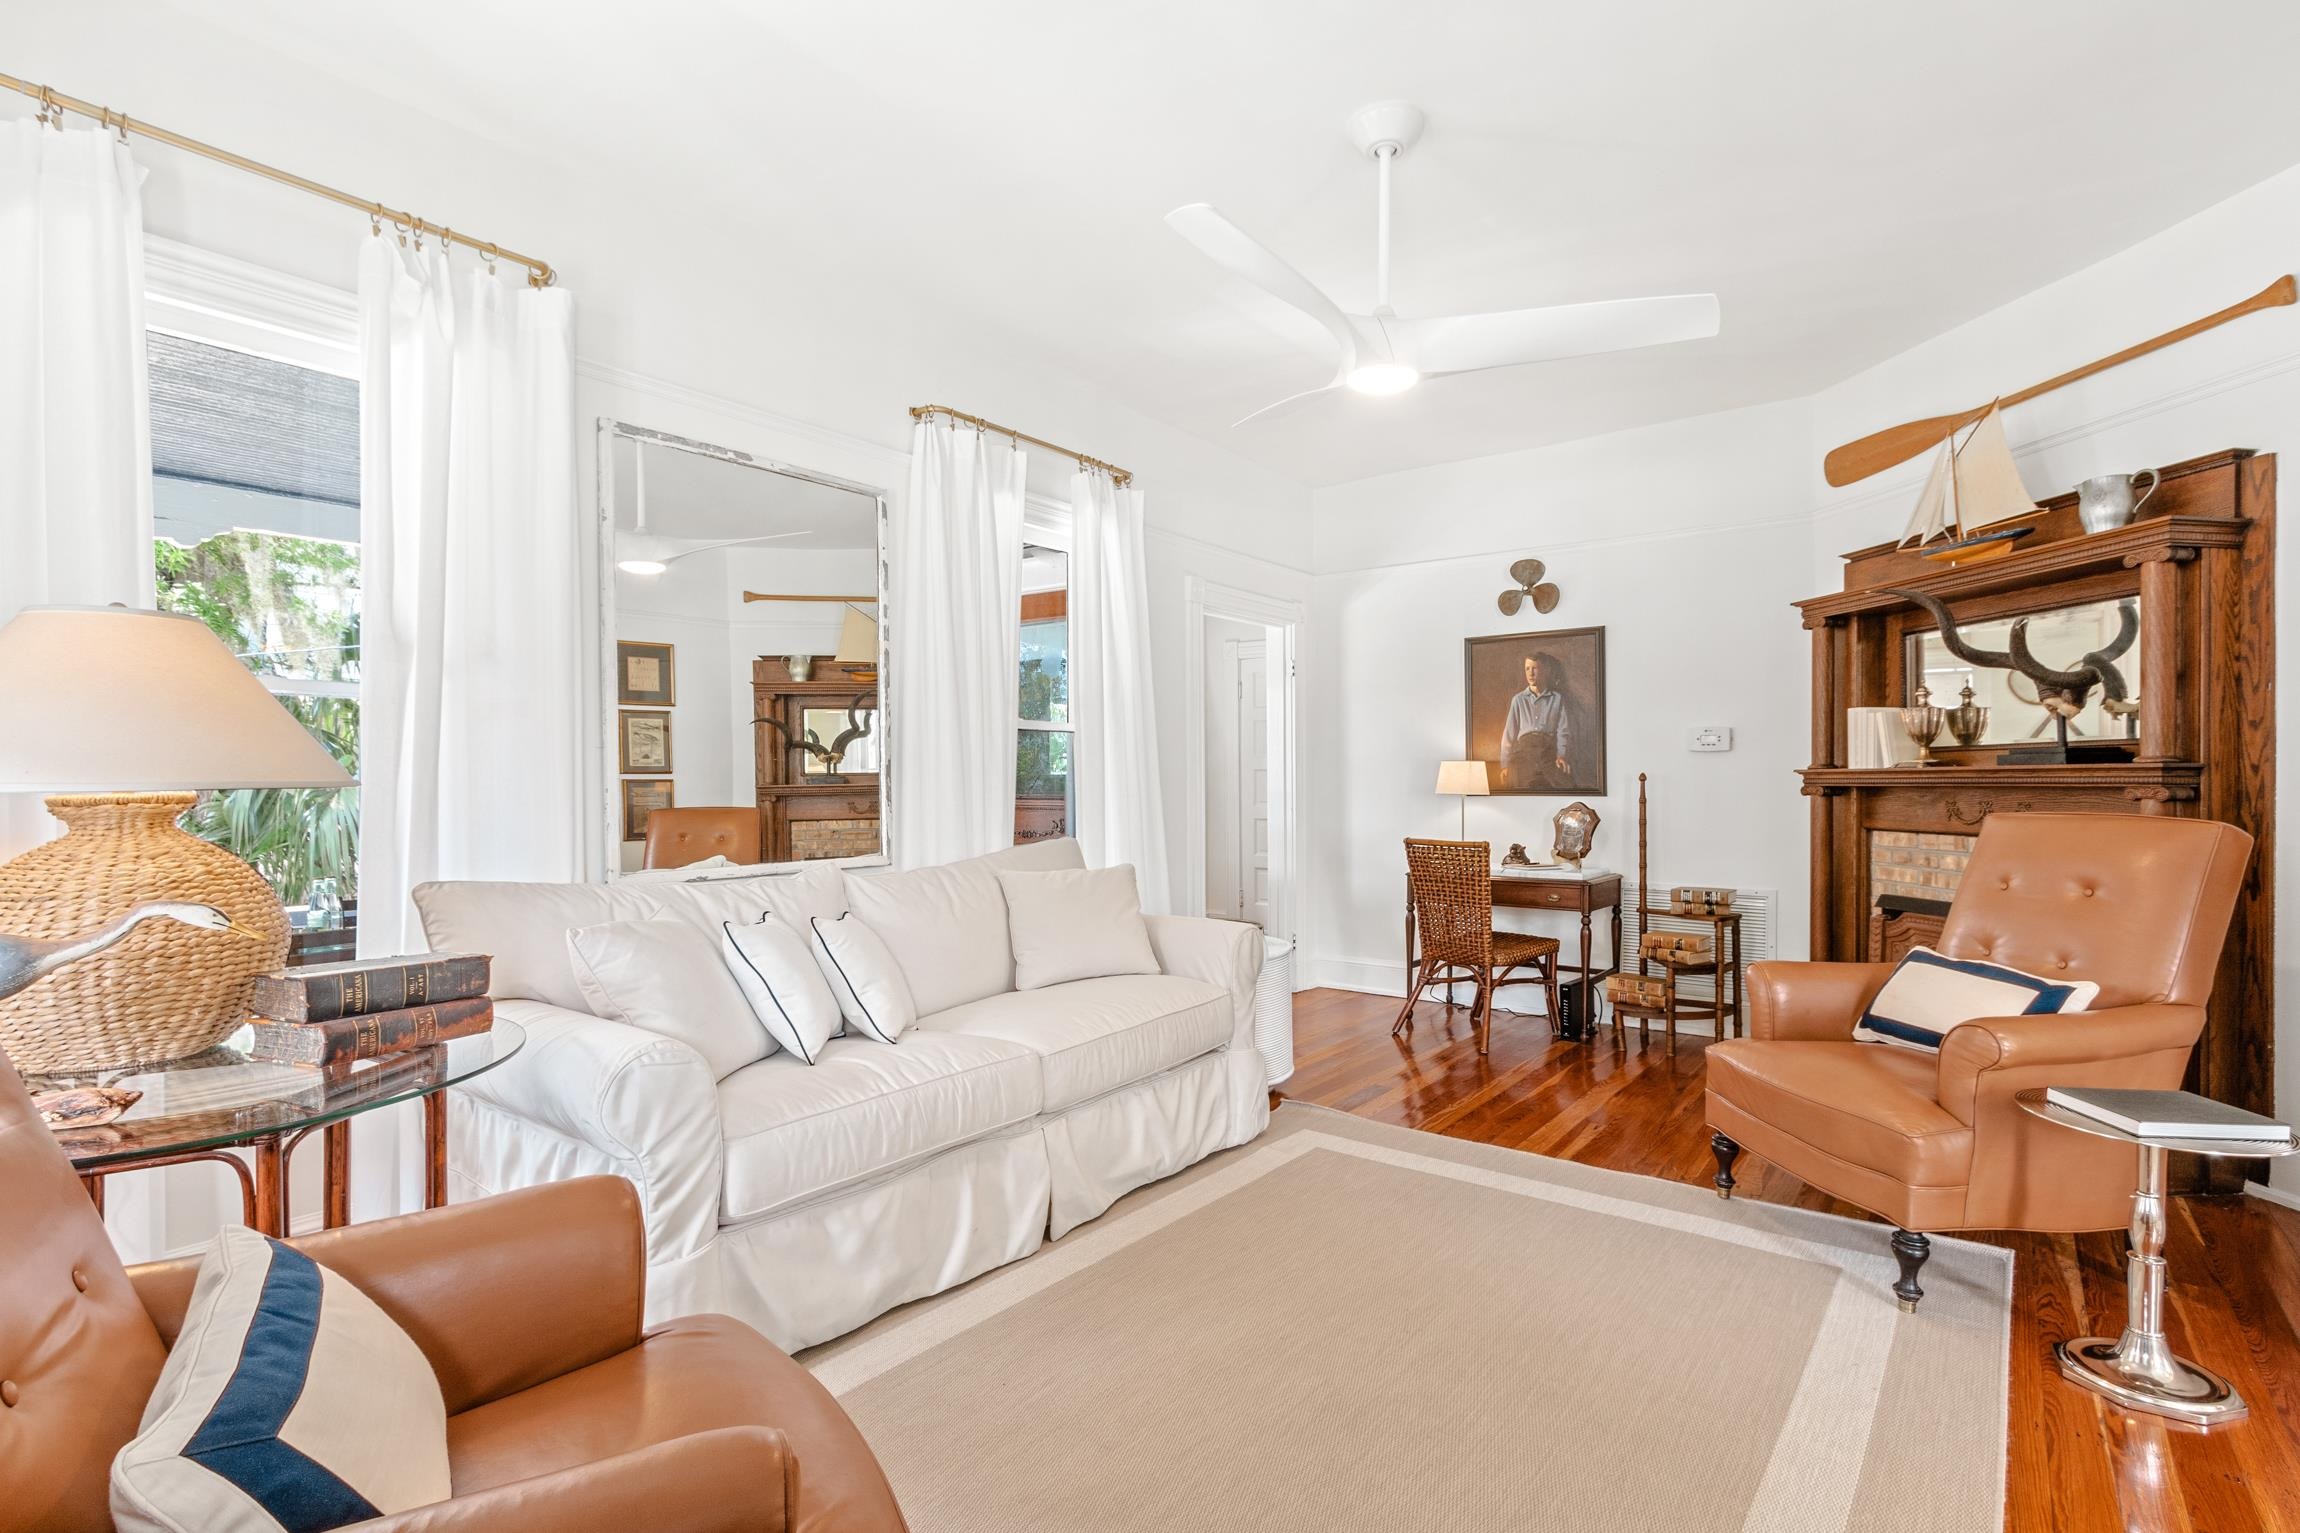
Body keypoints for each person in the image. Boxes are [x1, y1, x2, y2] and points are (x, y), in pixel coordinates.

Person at [1501, 652, 1573, 790]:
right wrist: (1504, 765)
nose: (1530, 673)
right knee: (1518, 781)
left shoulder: (1557, 698)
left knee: (1561, 781)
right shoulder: (1518, 700)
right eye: (1527, 669)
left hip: (1548, 751)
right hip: (1524, 752)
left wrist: (1561, 755)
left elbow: (1563, 730)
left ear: (1545, 671)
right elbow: (1508, 735)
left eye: (1535, 668)